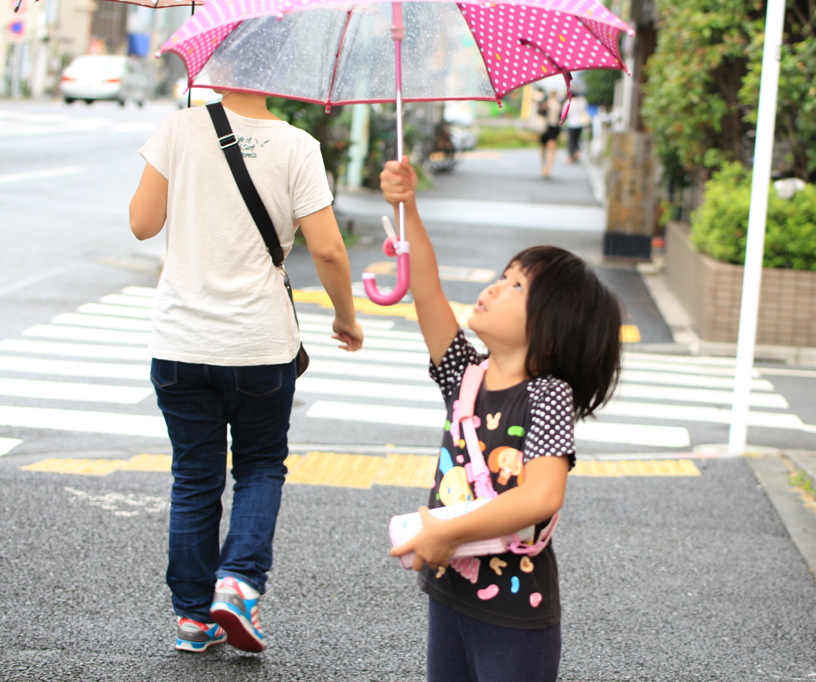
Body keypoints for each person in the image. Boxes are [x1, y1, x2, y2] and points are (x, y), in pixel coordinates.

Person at [128, 91, 364, 654]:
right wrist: (345, 317)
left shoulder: (178, 129)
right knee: (259, 466)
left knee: (194, 476)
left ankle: (191, 617)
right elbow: (328, 249)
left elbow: (142, 224)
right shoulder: (297, 146)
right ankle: (236, 583)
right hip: (258, 344)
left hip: (181, 340)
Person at [381, 156, 622, 681]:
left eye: (516, 287)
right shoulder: (464, 375)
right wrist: (407, 208)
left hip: (516, 612)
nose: (493, 287)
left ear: (554, 329)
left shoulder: (549, 396)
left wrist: (450, 532)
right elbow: (426, 290)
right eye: (502, 276)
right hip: (450, 589)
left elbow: (541, 497)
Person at [537, 89, 564, 178]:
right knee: (543, 147)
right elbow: (539, 113)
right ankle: (544, 165)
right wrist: (543, 108)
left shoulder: (560, 102)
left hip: (554, 127)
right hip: (545, 127)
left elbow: (563, 116)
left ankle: (549, 167)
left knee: (552, 147)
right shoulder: (545, 100)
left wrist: (561, 112)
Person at [564, 89, 591, 163]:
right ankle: (574, 156)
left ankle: (576, 153)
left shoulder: (569, 102)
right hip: (580, 124)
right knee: (577, 139)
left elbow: (565, 113)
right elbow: (585, 110)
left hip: (572, 124)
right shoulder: (582, 101)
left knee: (572, 141)